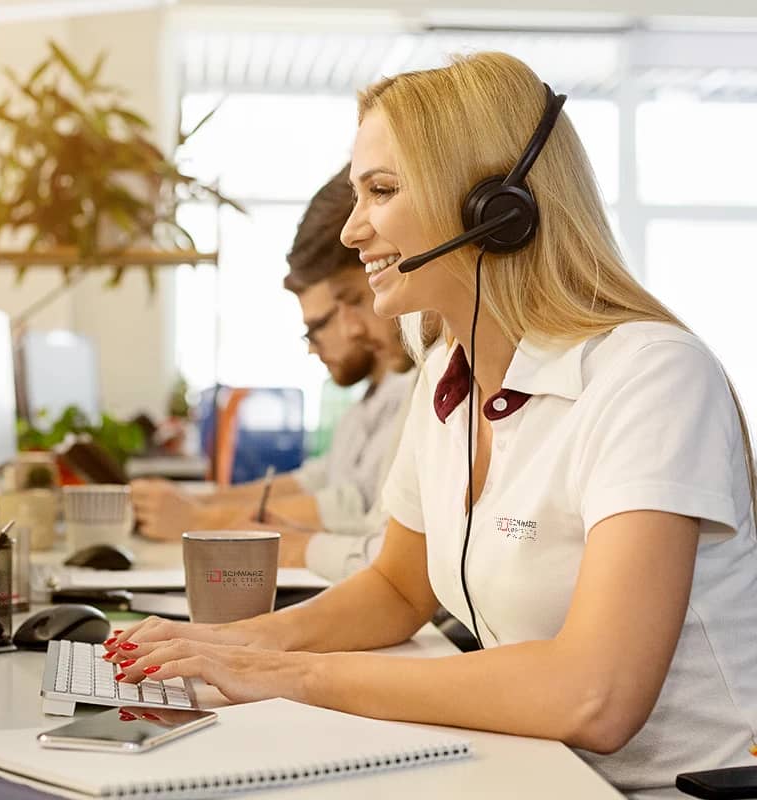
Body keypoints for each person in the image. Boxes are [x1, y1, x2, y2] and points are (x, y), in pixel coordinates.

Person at [105, 52, 757, 799]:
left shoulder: (650, 376)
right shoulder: (448, 370)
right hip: (532, 769)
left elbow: (595, 695)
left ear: (497, 209)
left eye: (380, 191)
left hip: (673, 788)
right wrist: (229, 644)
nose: (353, 231)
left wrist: (292, 675)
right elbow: (396, 586)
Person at [132, 166, 416, 579]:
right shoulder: (386, 389)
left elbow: (355, 510)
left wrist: (204, 521)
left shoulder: (417, 381)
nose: (352, 327)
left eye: (320, 325)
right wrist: (204, 505)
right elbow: (323, 481)